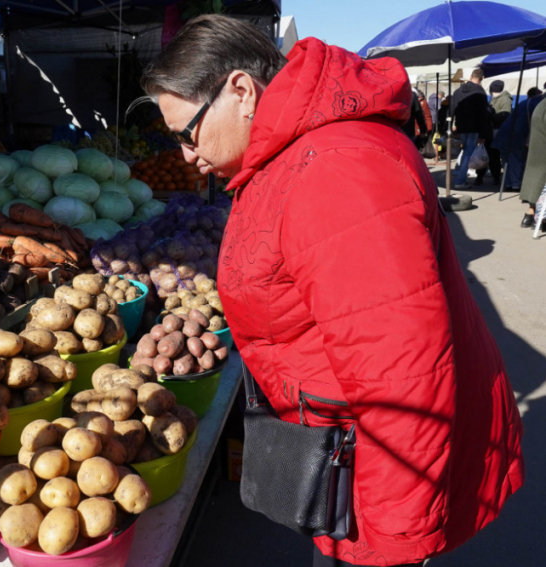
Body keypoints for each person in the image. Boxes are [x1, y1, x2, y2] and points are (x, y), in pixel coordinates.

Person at [142, 15, 523, 567]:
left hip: (374, 480)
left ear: (242, 92)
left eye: (187, 133)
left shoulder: (335, 171)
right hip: (344, 456)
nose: (184, 154)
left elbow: (404, 377)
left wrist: (391, 541)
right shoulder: (295, 153)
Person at [450, 69, 492, 188]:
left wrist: (448, 126)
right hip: (474, 127)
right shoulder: (480, 92)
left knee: (465, 151)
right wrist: (483, 134)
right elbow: (483, 115)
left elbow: (452, 109)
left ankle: (459, 173)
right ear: (482, 78)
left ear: (470, 76)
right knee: (468, 152)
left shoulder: (458, 91)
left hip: (461, 126)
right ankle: (460, 180)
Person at [475, 79, 512, 185]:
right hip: (488, 130)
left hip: (496, 131)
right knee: (485, 154)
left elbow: (505, 116)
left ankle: (496, 177)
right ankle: (481, 176)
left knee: (493, 155)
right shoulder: (494, 98)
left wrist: (491, 114)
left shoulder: (505, 99)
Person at [519, 97, 546, 227]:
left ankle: (529, 215)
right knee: (541, 184)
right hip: (542, 153)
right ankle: (540, 219)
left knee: (535, 182)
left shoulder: (541, 104)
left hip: (537, 150)